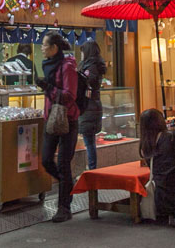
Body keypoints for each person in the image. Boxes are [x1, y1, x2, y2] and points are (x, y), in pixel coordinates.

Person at [36, 32, 80, 223]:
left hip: (68, 120)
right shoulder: (48, 65)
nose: (42, 48)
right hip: (51, 119)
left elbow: (70, 95)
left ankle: (64, 207)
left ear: (54, 48)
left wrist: (48, 88)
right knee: (46, 160)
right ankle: (68, 184)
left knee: (63, 163)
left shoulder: (67, 66)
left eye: (45, 45)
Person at [77, 40, 107, 170]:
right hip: (93, 106)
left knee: (89, 142)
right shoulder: (95, 65)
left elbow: (88, 83)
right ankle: (91, 169)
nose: (81, 55)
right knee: (89, 141)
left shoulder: (90, 67)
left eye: (83, 52)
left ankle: (92, 170)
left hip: (88, 107)